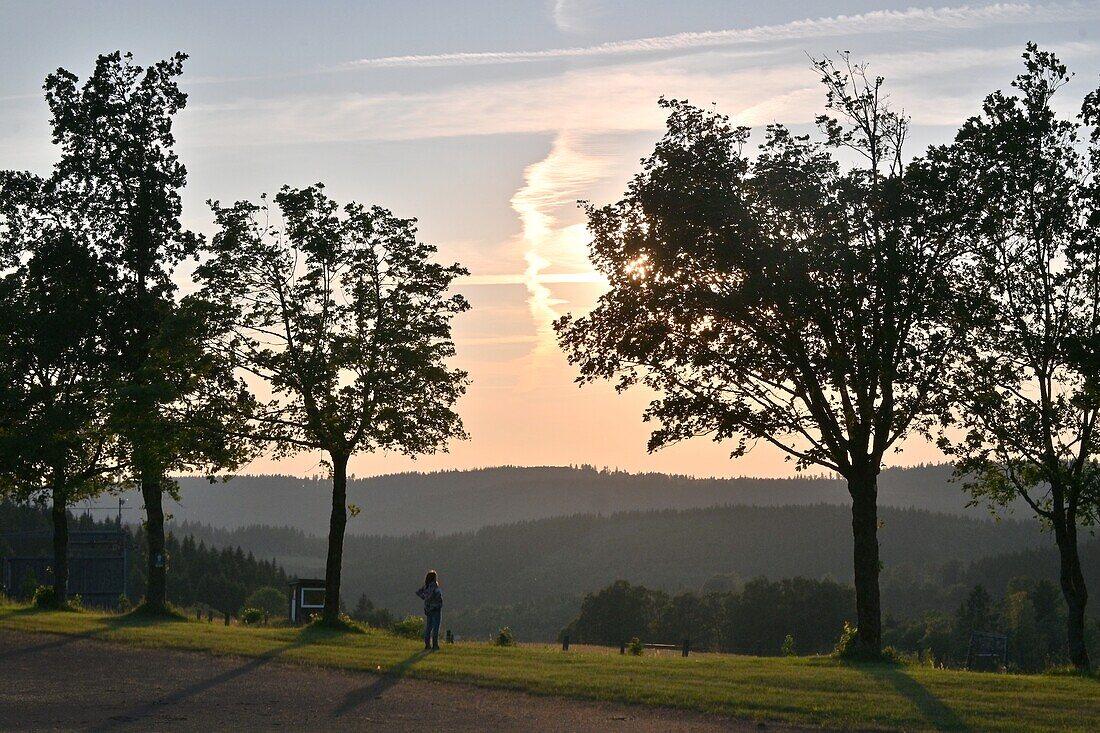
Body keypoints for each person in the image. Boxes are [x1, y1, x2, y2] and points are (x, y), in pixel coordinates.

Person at [415, 569, 443, 650]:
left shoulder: (426, 586)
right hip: (435, 609)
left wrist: (424, 597)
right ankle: (435, 645)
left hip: (428, 610)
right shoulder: (434, 586)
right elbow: (434, 595)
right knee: (435, 628)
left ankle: (427, 644)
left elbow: (418, 592)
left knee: (428, 627)